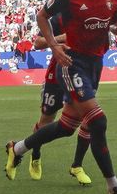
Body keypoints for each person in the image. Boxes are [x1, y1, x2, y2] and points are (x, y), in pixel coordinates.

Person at [4, 0, 117, 194]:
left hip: (96, 64)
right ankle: (114, 187)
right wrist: (55, 46)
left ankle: (17, 148)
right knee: (97, 121)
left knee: (67, 127)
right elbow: (41, 16)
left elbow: (113, 22)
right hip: (72, 62)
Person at [9, 11, 94, 185]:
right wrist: (63, 37)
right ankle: (36, 155)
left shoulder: (91, 19)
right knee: (46, 121)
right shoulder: (58, 19)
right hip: (56, 77)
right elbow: (38, 43)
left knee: (89, 118)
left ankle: (77, 165)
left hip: (80, 75)